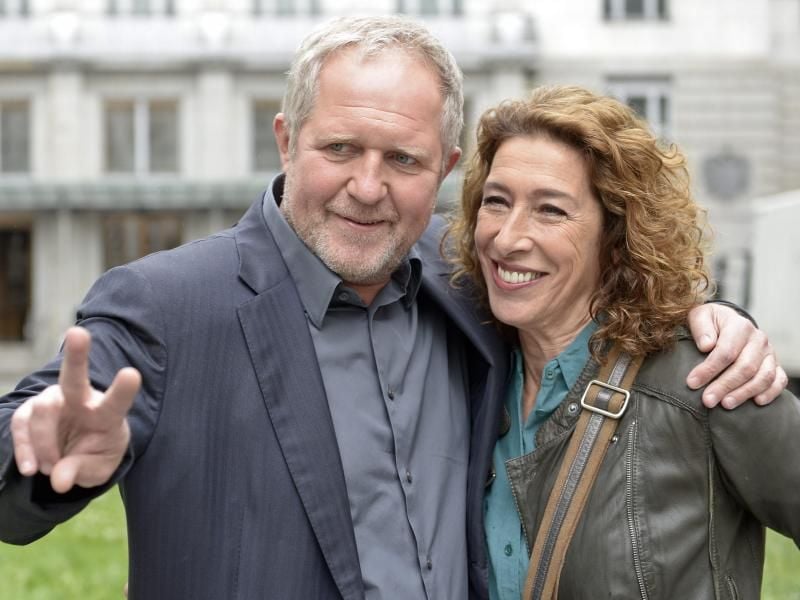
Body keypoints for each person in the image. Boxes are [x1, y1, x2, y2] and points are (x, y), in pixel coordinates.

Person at [0, 17, 786, 600]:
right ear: (286, 139)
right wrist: (38, 453)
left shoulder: (472, 283)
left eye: (402, 159)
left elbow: (599, 270)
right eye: (340, 149)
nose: (368, 187)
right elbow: (38, 428)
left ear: (443, 169)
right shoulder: (168, 302)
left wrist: (717, 317)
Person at [446, 84, 800, 600]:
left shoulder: (705, 378)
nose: (506, 239)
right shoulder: (465, 369)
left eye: (551, 210)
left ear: (618, 237)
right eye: (496, 202)